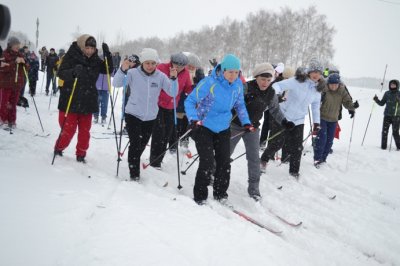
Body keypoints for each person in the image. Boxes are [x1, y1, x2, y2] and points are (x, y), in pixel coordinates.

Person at [185, 54, 252, 205]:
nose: (233, 76)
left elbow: (240, 105)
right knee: (207, 161)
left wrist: (246, 122)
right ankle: (200, 196)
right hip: (204, 126)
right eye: (230, 72)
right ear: (223, 70)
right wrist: (193, 118)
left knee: (224, 162)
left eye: (236, 72)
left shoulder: (238, 85)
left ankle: (220, 193)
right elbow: (190, 101)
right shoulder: (209, 82)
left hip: (223, 127)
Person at [230, 63, 294, 201]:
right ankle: (211, 174)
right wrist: (244, 100)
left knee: (254, 159)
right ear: (256, 77)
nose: (265, 83)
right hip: (235, 125)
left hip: (252, 128)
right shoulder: (246, 87)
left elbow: (275, 110)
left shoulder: (271, 93)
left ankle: (254, 189)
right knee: (225, 154)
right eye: (262, 79)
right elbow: (230, 102)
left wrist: (284, 122)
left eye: (268, 80)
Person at [113, 48, 178, 181]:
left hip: (150, 116)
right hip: (133, 114)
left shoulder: (160, 76)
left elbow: (173, 92)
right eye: (147, 63)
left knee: (142, 144)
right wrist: (122, 70)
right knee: (136, 143)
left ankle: (134, 159)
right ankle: (134, 173)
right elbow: (116, 83)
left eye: (153, 63)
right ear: (142, 62)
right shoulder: (132, 73)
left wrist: (173, 79)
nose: (150, 66)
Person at [53, 34, 113, 162]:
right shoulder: (71, 55)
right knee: (68, 131)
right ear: (81, 46)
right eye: (87, 48)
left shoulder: (96, 60)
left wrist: (108, 55)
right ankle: (59, 148)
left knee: (85, 133)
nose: (90, 51)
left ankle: (81, 154)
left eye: (92, 48)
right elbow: (61, 73)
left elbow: (108, 70)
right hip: (70, 98)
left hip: (88, 100)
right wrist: (73, 72)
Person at [260, 58, 322, 178]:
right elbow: (277, 86)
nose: (316, 75)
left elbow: (315, 107)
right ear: (309, 71)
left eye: (319, 73)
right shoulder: (297, 81)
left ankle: (294, 172)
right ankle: (263, 160)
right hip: (283, 116)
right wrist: (276, 96)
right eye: (314, 71)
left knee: (297, 148)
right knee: (276, 144)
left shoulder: (317, 90)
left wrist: (316, 123)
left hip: (298, 120)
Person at [149, 52, 192, 168]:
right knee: (158, 133)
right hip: (158, 104)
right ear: (171, 62)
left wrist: (195, 91)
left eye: (181, 66)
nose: (178, 68)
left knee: (167, 134)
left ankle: (159, 159)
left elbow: (188, 88)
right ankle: (154, 160)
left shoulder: (186, 73)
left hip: (172, 107)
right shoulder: (162, 68)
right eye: (176, 65)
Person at [313, 73, 356, 167]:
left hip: (333, 119)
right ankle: (317, 159)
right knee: (322, 139)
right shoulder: (324, 89)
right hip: (322, 118)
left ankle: (323, 159)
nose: (333, 86)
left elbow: (347, 102)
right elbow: (315, 98)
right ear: (328, 83)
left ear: (338, 84)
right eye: (331, 84)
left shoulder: (342, 90)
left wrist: (352, 108)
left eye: (335, 85)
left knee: (329, 141)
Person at [169, 52, 204, 151]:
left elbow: (199, 90)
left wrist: (196, 81)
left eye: (194, 67)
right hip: (179, 104)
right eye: (190, 66)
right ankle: (173, 145)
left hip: (190, 108)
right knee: (176, 127)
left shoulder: (199, 76)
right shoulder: (181, 73)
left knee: (187, 127)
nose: (192, 68)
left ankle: (184, 143)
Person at [0, 36, 29, 129]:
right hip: (6, 83)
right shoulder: (4, 54)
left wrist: (24, 62)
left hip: (17, 84)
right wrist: (14, 62)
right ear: (10, 45)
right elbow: (3, 68)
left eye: (18, 44)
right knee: (5, 103)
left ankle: (12, 120)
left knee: (13, 103)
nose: (17, 46)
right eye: (16, 44)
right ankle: (3, 119)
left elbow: (27, 68)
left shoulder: (21, 54)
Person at [373, 79, 400, 150]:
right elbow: (382, 103)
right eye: (391, 84)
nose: (392, 85)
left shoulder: (399, 93)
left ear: (397, 85)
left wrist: (399, 100)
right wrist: (376, 100)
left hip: (396, 116)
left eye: (394, 84)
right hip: (387, 115)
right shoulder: (387, 93)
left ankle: (399, 147)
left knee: (395, 133)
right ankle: (383, 147)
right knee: (384, 132)